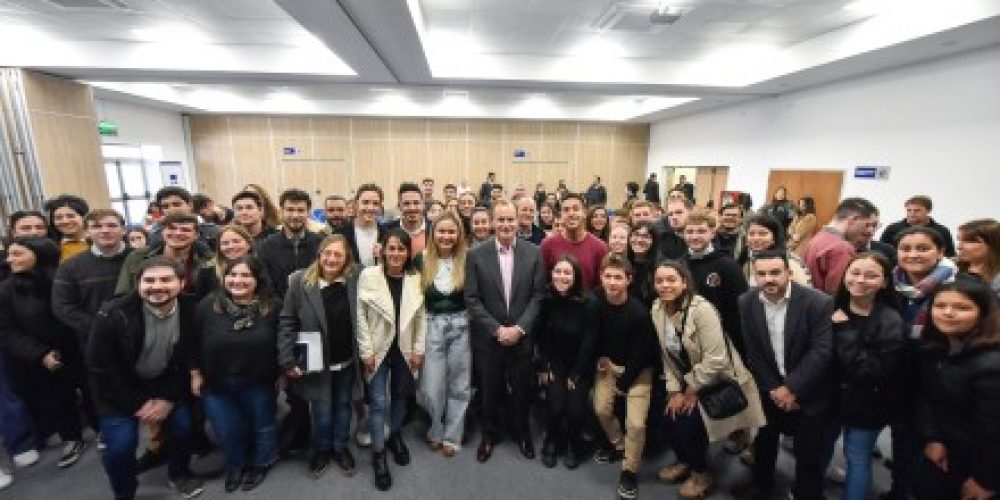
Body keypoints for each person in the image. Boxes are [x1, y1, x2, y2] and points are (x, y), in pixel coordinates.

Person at [87, 256, 204, 499]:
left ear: (182, 283)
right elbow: (101, 369)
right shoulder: (112, 314)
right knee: (120, 448)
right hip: (118, 389)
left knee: (184, 428)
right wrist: (139, 403)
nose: (157, 286)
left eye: (166, 280)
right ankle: (125, 492)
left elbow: (188, 360)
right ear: (138, 284)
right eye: (149, 280)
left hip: (166, 384)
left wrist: (168, 398)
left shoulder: (192, 309)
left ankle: (179, 473)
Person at [652, 260, 765, 499]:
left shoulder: (701, 309)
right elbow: (666, 356)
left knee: (687, 425)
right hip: (686, 379)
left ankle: (701, 474)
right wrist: (674, 391)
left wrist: (690, 391)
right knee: (666, 417)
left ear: (684, 282)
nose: (665, 285)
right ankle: (684, 461)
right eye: (660, 280)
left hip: (716, 380)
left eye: (671, 280)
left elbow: (717, 360)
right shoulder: (657, 309)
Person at [734, 249, 835, 500]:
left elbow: (822, 351)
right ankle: (762, 484)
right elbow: (754, 351)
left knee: (809, 453)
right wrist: (774, 389)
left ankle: (807, 493)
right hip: (769, 388)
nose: (768, 279)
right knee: (765, 442)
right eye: (762, 274)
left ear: (789, 273)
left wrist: (791, 388)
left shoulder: (818, 302)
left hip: (808, 390)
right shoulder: (746, 302)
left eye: (775, 273)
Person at [464, 199, 545, 463]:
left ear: (518, 221)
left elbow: (538, 296)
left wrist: (520, 328)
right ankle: (489, 435)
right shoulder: (476, 254)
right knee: (490, 391)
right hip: (490, 339)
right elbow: (472, 299)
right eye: (501, 220)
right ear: (492, 222)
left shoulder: (534, 252)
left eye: (511, 219)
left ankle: (522, 433)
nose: (506, 225)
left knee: (522, 390)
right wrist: (497, 329)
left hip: (522, 338)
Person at [819, 252, 905, 500]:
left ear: (885, 282)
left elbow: (871, 370)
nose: (860, 280)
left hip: (868, 404)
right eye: (855, 272)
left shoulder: (890, 320)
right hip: (829, 399)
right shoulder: (831, 307)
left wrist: (844, 329)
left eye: (871, 275)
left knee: (856, 458)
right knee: (821, 449)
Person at [190, 256, 279, 492]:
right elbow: (192, 342)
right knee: (228, 429)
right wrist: (195, 372)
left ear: (257, 279)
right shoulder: (208, 305)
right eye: (232, 275)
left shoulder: (273, 307)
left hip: (259, 381)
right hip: (216, 383)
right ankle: (236, 465)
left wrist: (283, 373)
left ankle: (262, 462)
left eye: (245, 275)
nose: (237, 280)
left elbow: (283, 342)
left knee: (264, 426)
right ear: (224, 278)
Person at [0, 237, 86, 468]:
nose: (10, 260)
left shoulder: (65, 278)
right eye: (9, 254)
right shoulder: (6, 290)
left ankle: (102, 430)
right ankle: (72, 438)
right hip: (43, 355)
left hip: (79, 345)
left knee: (91, 389)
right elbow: (6, 331)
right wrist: (40, 354)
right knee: (59, 398)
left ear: (39, 254)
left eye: (17, 254)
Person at [886, 226, 958, 500]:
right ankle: (898, 490)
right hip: (899, 380)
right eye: (906, 249)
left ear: (940, 252)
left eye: (923, 248)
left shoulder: (955, 288)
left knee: (931, 451)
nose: (913, 254)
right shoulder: (890, 283)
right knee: (902, 443)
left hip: (938, 384)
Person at [279, 234, 360, 479]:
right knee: (322, 410)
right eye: (327, 253)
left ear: (347, 259)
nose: (331, 259)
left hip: (346, 360)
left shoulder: (356, 278)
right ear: (319, 254)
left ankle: (341, 447)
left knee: (344, 407)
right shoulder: (300, 282)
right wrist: (287, 359)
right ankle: (322, 450)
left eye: (338, 254)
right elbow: (287, 321)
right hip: (316, 362)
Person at [914, 278, 1000, 500]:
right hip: (944, 452)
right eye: (940, 306)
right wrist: (932, 438)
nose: (948, 313)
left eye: (962, 307)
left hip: (976, 465)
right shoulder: (937, 349)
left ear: (982, 314)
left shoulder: (991, 364)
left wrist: (986, 480)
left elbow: (992, 430)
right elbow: (928, 396)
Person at [356, 228, 426, 490]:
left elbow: (421, 318)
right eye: (391, 248)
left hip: (404, 349)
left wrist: (418, 350)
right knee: (376, 402)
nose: (396, 253)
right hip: (377, 349)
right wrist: (366, 352)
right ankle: (378, 454)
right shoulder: (369, 276)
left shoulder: (415, 278)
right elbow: (360, 317)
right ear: (382, 250)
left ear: (408, 252)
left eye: (401, 248)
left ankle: (395, 435)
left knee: (399, 397)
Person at [52, 209, 132, 435]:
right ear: (87, 232)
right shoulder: (70, 267)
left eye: (111, 225)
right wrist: (101, 328)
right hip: (96, 343)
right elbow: (62, 307)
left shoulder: (141, 258)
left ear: (123, 229)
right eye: (97, 226)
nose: (105, 231)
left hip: (141, 339)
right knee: (108, 399)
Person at [591, 254, 659, 500]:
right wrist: (599, 356)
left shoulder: (639, 312)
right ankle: (620, 445)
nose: (612, 282)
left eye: (618, 277)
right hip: (609, 366)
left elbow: (642, 354)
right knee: (601, 409)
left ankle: (629, 470)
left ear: (629, 280)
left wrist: (624, 382)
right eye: (608, 276)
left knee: (637, 424)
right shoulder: (596, 298)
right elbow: (593, 332)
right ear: (601, 277)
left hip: (638, 370)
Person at [535, 255, 598, 469]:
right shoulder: (546, 300)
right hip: (555, 364)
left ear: (576, 276)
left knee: (576, 411)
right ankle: (551, 441)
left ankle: (574, 444)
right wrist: (544, 366)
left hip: (580, 365)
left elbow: (589, 343)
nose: (562, 276)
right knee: (555, 407)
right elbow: (541, 336)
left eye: (567, 273)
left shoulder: (589, 303)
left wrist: (576, 375)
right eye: (558, 272)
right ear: (551, 275)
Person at [416, 212, 470, 458]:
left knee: (460, 383)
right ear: (433, 234)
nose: (446, 236)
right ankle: (435, 429)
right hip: (431, 326)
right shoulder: (421, 260)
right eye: (441, 231)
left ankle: (452, 436)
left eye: (451, 231)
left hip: (462, 325)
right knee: (432, 385)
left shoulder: (468, 260)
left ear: (458, 234)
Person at [681, 210, 749, 355]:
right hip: (687, 336)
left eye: (701, 231)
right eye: (690, 231)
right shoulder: (679, 265)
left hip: (721, 338)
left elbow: (739, 309)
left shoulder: (728, 265)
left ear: (712, 233)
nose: (694, 236)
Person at [116, 213, 217, 301]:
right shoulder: (139, 257)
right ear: (162, 231)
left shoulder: (208, 260)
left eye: (185, 230)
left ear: (196, 235)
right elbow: (123, 294)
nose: (177, 233)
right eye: (172, 228)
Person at [803, 197, 878, 295]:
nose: (870, 231)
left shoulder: (818, 238)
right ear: (853, 219)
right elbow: (838, 292)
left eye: (874, 226)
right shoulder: (842, 248)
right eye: (867, 225)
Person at [258, 189, 322, 299]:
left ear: (308, 212)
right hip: (279, 310)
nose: (295, 215)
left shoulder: (321, 243)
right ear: (281, 212)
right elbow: (265, 283)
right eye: (290, 210)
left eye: (301, 210)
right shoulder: (266, 246)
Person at [541, 193, 609, 290]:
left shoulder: (600, 247)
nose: (571, 214)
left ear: (584, 213)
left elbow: (601, 286)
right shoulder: (547, 245)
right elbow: (544, 283)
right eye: (566, 210)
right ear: (561, 215)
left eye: (576, 209)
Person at [738, 214, 811, 286]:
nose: (756, 238)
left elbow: (805, 291)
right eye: (751, 234)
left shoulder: (790, 261)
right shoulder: (746, 259)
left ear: (774, 238)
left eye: (763, 234)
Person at [880, 195, 956, 257]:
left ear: (928, 211)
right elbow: (881, 252)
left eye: (917, 210)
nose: (912, 213)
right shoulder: (893, 229)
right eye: (909, 210)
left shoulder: (942, 231)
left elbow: (950, 255)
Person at [337, 183, 387, 267]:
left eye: (375, 203)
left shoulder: (387, 234)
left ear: (380, 207)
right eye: (365, 202)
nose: (370, 208)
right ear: (356, 204)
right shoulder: (340, 233)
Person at [956, 218, 1000, 297]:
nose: (959, 247)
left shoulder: (997, 279)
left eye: (969, 241)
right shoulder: (954, 269)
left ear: (993, 244)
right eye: (959, 240)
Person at [1, 211, 49, 282]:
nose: (34, 232)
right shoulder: (4, 263)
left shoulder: (57, 255)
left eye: (40, 227)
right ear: (13, 232)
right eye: (26, 228)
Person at [384, 183, 431, 256]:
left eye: (416, 203)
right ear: (399, 206)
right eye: (406, 203)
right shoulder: (387, 229)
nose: (412, 208)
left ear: (423, 205)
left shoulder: (433, 228)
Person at [43, 194, 90, 261]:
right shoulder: (49, 248)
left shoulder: (98, 242)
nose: (65, 221)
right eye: (58, 218)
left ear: (84, 217)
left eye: (70, 216)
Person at [626, 222, 659, 307]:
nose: (640, 240)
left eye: (646, 237)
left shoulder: (659, 268)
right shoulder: (622, 263)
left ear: (653, 241)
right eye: (636, 235)